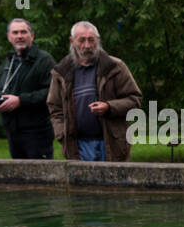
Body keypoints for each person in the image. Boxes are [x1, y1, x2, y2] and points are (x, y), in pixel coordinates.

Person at [47, 21, 142, 162]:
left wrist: (109, 107)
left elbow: (135, 99)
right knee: (82, 184)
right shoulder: (61, 72)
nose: (87, 45)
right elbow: (55, 107)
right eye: (82, 40)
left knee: (112, 183)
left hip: (111, 141)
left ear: (98, 40)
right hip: (77, 145)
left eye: (91, 40)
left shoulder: (115, 67)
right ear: (72, 41)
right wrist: (62, 134)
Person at [0, 19, 56, 159]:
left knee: (39, 176)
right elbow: (3, 88)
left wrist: (20, 101)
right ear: (9, 37)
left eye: (23, 32)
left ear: (32, 35)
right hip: (13, 130)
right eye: (15, 32)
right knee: (18, 176)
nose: (19, 36)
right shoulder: (9, 61)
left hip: (36, 131)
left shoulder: (45, 60)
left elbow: (53, 92)